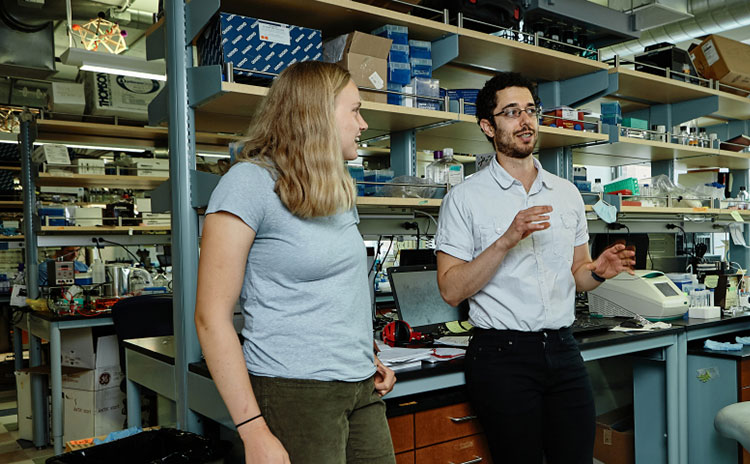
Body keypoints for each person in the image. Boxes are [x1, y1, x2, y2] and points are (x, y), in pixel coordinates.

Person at [195, 61, 397, 464]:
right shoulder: (248, 184)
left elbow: (336, 291)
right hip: (294, 391)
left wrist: (365, 355)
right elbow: (210, 318)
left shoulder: (336, 186)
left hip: (360, 385)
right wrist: (252, 429)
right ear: (318, 113)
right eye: (354, 110)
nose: (363, 123)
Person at [434, 72, 635, 464]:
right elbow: (451, 290)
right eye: (511, 112)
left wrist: (597, 270)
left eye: (530, 110)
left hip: (563, 349)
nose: (525, 120)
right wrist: (507, 239)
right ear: (488, 126)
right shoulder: (464, 199)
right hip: (501, 356)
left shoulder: (567, 193)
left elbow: (578, 274)